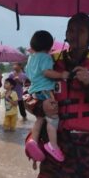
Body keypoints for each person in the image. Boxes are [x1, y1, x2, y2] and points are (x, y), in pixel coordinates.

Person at [24, 13, 89, 178]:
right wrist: (41, 106)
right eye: (71, 30)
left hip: (87, 156)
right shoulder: (50, 62)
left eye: (81, 30)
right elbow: (27, 92)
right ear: (66, 34)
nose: (75, 34)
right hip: (54, 153)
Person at [25, 30, 69, 162]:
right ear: (49, 46)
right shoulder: (46, 57)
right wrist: (61, 75)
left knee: (40, 118)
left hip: (34, 91)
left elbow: (29, 73)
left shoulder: (31, 58)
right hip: (45, 90)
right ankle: (53, 145)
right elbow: (46, 72)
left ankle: (33, 140)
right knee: (53, 118)